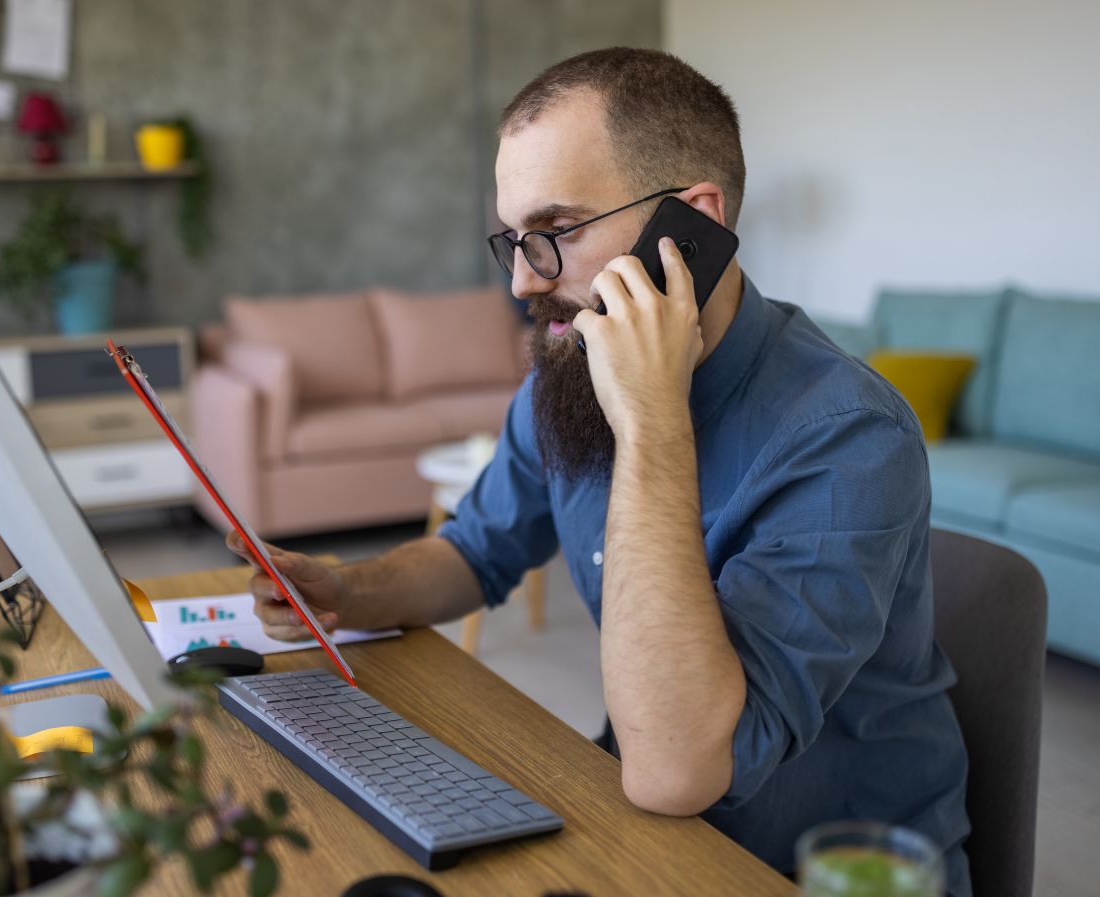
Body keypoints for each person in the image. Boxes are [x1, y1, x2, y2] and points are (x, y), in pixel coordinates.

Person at [226, 47, 972, 895]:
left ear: (691, 226)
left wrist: (652, 420)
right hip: (636, 825)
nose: (520, 280)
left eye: (555, 232)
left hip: (810, 866)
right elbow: (475, 550)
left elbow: (679, 771)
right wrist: (347, 589)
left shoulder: (845, 435)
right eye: (512, 239)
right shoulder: (572, 367)